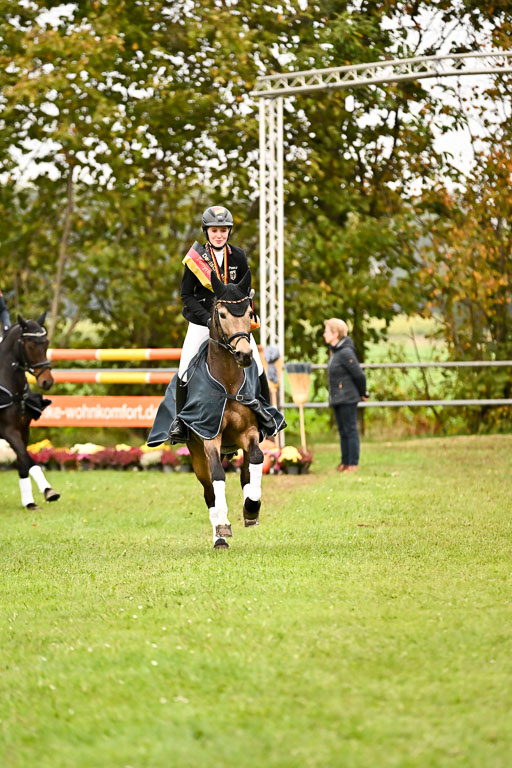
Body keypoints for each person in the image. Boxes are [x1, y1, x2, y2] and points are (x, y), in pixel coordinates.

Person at [168, 205, 270, 443]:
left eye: (223, 230)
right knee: (184, 368)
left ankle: (267, 415)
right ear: (207, 232)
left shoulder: (238, 256)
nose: (219, 235)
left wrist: (248, 317)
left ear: (229, 232)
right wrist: (206, 319)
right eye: (214, 230)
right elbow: (187, 296)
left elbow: (247, 292)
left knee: (259, 365)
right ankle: (180, 422)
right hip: (203, 323)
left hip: (234, 325)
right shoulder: (196, 260)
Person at [323, 318, 369, 473]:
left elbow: (359, 375)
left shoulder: (345, 352)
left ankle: (353, 464)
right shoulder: (335, 351)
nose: (324, 334)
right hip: (338, 398)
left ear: (336, 333)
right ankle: (345, 462)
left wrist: (364, 393)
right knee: (343, 431)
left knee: (350, 430)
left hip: (347, 397)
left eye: (327, 331)